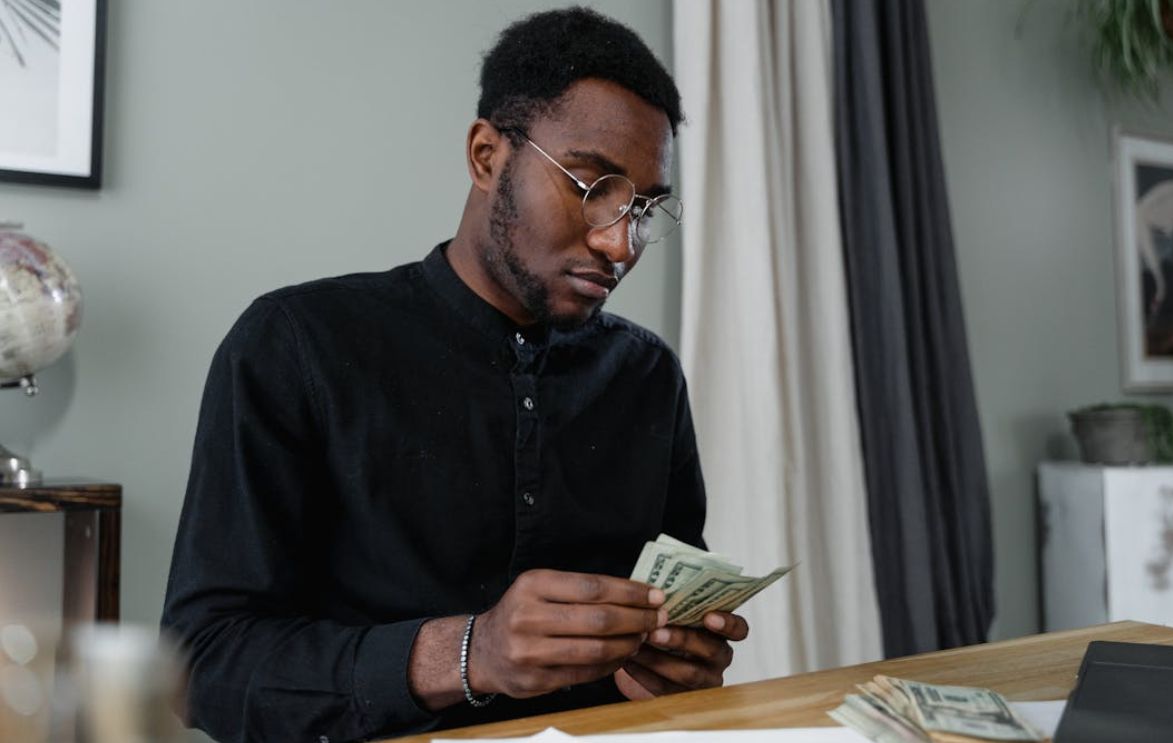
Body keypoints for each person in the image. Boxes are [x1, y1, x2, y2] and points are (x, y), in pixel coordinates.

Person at [161, 7, 750, 742]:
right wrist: (468, 652)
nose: (619, 243)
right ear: (486, 156)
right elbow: (200, 665)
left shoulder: (647, 376)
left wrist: (674, 664)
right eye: (591, 186)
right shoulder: (295, 344)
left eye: (642, 208)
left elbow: (668, 645)